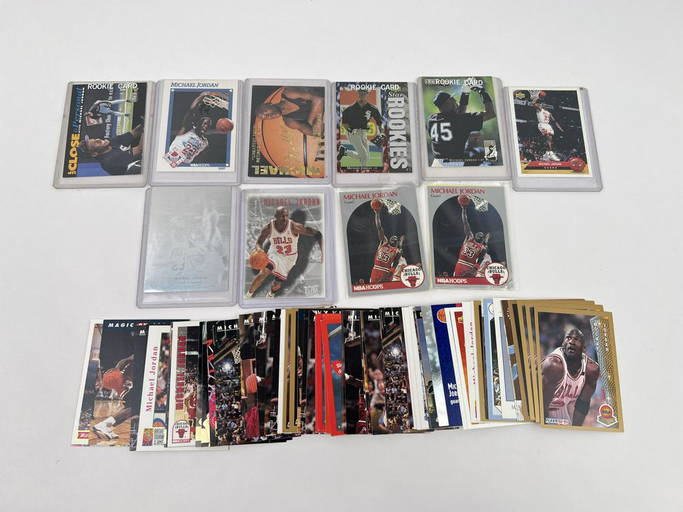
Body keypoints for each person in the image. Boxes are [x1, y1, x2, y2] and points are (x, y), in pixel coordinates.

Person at [246, 206, 323, 298]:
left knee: (277, 284)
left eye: (286, 215)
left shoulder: (294, 227)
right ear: (276, 216)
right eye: (282, 216)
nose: (285, 218)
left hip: (289, 258)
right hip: (274, 254)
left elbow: (318, 234)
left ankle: (271, 294)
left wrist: (323, 252)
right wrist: (259, 249)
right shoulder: (269, 228)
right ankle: (248, 296)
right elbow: (259, 242)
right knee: (263, 274)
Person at [541, 328, 600, 426]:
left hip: (560, 411)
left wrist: (575, 430)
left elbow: (582, 404)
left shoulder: (591, 370)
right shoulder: (554, 365)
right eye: (568, 338)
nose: (571, 342)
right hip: (536, 407)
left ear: (584, 349)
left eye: (576, 340)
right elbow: (542, 402)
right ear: (563, 344)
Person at [428, 83, 495, 166]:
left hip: (437, 165)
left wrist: (465, 92)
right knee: (488, 160)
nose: (456, 101)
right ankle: (492, 164)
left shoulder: (431, 119)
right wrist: (482, 92)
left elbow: (458, 113)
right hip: (456, 165)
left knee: (478, 145)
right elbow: (491, 113)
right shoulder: (460, 120)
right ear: (448, 103)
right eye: (453, 100)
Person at [164, 91, 228, 166]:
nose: (206, 126)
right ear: (198, 123)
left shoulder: (205, 143)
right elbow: (190, 111)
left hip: (185, 165)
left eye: (208, 125)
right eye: (205, 123)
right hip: (173, 159)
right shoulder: (188, 130)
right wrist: (200, 97)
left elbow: (198, 158)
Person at [338, 89, 384, 168]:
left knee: (365, 156)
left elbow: (379, 123)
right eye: (360, 93)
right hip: (353, 132)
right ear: (358, 94)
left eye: (364, 93)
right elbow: (344, 123)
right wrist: (350, 130)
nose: (362, 95)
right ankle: (363, 171)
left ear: (367, 94)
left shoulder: (372, 108)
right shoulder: (350, 109)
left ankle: (345, 152)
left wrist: (382, 134)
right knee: (364, 156)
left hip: (363, 133)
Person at [255, 87, 324, 137]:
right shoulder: (289, 122)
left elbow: (319, 98)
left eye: (266, 112)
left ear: (268, 104)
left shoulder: (288, 93)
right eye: (266, 118)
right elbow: (317, 133)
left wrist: (310, 121)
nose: (269, 116)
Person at [78, 123, 143, 175]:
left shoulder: (109, 143)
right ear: (94, 154)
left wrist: (144, 122)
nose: (98, 139)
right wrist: (146, 128)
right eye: (96, 143)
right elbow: (140, 150)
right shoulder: (109, 161)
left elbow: (135, 132)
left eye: (95, 139)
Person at [453, 199, 489, 277]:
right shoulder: (470, 237)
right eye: (478, 233)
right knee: (457, 282)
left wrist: (475, 269)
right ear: (475, 235)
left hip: (470, 267)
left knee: (469, 283)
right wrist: (463, 209)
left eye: (481, 235)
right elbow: (465, 222)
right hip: (460, 263)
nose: (479, 234)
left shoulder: (483, 247)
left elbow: (481, 259)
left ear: (482, 239)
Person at [369, 205, 404, 284]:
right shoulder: (384, 242)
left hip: (386, 272)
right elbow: (379, 227)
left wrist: (389, 275)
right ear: (389, 239)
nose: (394, 238)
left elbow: (395, 264)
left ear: (397, 243)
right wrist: (377, 214)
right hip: (376, 269)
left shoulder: (397, 251)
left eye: (396, 238)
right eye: (392, 237)